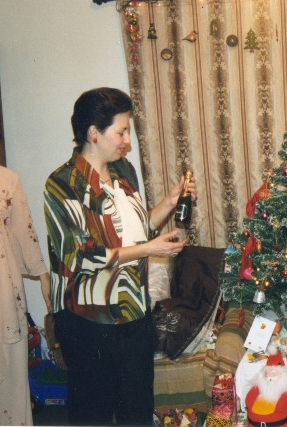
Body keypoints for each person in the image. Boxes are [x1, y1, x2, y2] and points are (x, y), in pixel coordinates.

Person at [44, 87, 196, 426]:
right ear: (94, 133)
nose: (127, 141)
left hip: (133, 312)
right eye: (121, 132)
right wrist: (148, 250)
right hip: (88, 319)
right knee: (93, 414)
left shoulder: (124, 171)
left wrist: (169, 203)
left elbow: (138, 230)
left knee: (137, 411)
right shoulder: (62, 184)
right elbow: (81, 256)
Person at [0, 162, 52, 425]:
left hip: (1, 289)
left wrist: (44, 277)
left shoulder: (7, 180)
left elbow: (25, 233)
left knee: (11, 377)